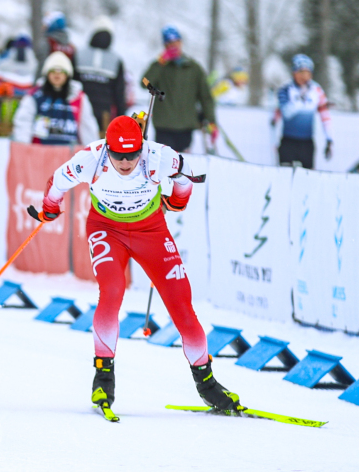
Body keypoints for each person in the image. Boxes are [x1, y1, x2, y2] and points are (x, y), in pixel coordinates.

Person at [34, 115, 242, 418]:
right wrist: (50, 208)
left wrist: (178, 201)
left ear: (141, 148)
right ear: (108, 148)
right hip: (107, 229)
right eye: (118, 155)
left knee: (181, 303)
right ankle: (103, 377)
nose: (125, 162)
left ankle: (207, 383)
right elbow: (56, 182)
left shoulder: (159, 156)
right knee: (112, 291)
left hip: (151, 231)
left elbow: (187, 177)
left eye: (132, 154)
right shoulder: (90, 159)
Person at [141, 25, 217, 153]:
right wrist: (160, 62)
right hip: (163, 126)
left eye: (176, 42)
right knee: (163, 161)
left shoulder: (194, 68)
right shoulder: (159, 66)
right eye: (169, 43)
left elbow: (206, 97)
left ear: (181, 42)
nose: (173, 46)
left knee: (181, 161)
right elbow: (144, 83)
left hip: (186, 127)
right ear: (165, 45)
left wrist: (211, 121)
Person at [12, 51, 98, 146]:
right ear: (47, 73)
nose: (57, 75)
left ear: (67, 75)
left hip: (70, 152)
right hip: (39, 152)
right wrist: (23, 147)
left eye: (61, 71)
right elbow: (24, 122)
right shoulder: (35, 96)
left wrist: (91, 149)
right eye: (53, 71)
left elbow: (88, 127)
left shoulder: (78, 98)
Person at [272, 54, 333, 168]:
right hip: (288, 141)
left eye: (307, 73)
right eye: (301, 72)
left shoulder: (316, 90)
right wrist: (301, 99)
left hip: (307, 142)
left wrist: (329, 139)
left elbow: (325, 114)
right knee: (284, 174)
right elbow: (286, 113)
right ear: (294, 73)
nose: (304, 76)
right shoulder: (285, 89)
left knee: (307, 176)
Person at [73, 16, 127, 134]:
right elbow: (120, 93)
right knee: (101, 144)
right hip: (104, 114)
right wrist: (122, 118)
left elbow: (71, 85)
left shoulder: (79, 55)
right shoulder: (116, 60)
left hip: (80, 111)